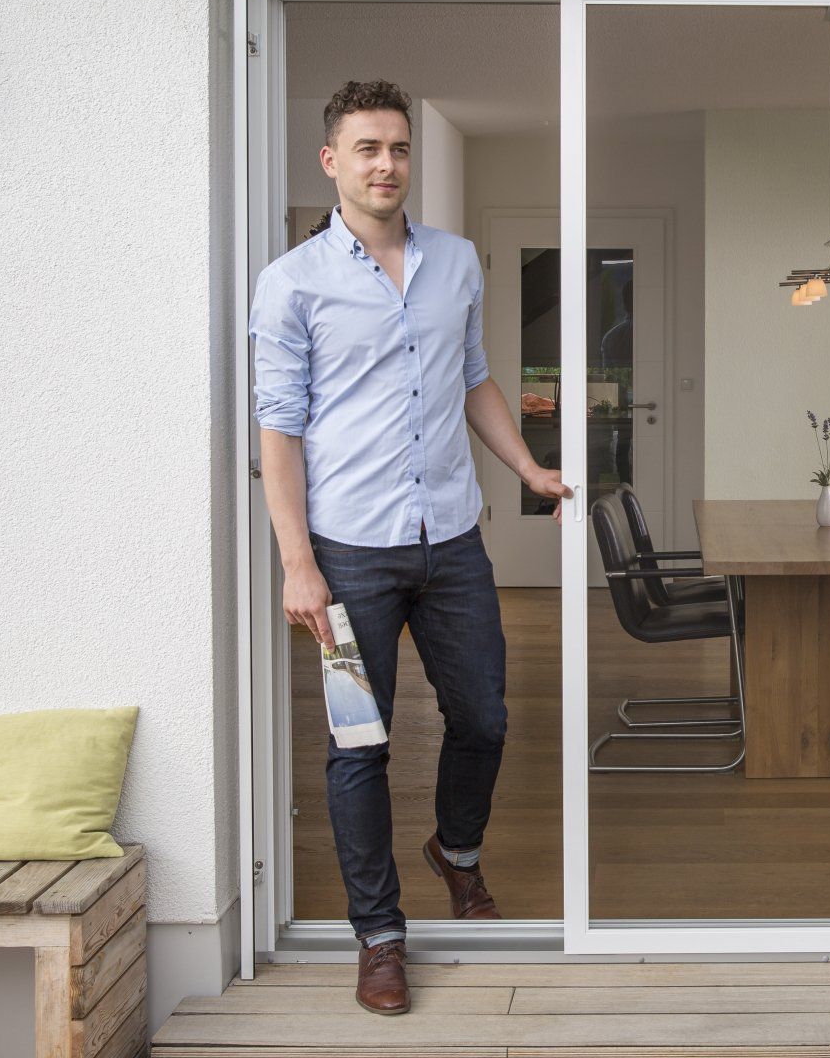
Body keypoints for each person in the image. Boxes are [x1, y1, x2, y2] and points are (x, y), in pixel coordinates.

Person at [249, 79, 569, 1017]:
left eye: (396, 149)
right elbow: (279, 430)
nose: (385, 164)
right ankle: (380, 936)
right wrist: (296, 562)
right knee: (360, 744)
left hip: (453, 545)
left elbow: (474, 381)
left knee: (486, 719)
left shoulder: (457, 263)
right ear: (332, 162)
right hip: (348, 554)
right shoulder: (293, 282)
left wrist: (529, 469)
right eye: (366, 149)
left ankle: (455, 852)